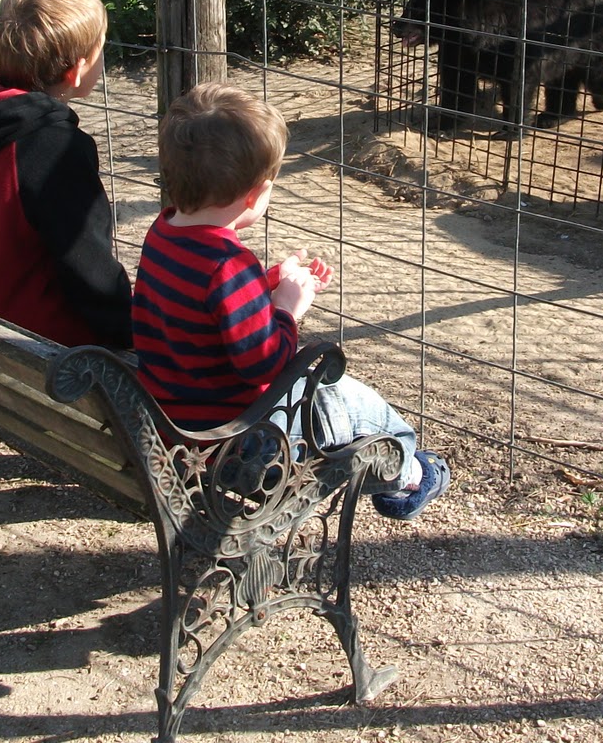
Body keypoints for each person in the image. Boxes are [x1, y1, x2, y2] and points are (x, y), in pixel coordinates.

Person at [131, 82, 449, 521]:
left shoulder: (162, 233)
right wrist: (287, 309)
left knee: (337, 397)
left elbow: (204, 313)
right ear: (255, 193)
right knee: (350, 398)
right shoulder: (227, 264)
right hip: (238, 442)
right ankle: (409, 475)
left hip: (172, 422)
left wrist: (265, 283)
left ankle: (403, 472)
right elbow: (264, 363)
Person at [0, 0, 132, 349]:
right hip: (33, 344)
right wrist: (133, 334)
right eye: (102, 48)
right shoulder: (53, 147)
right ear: (77, 69)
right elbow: (88, 267)